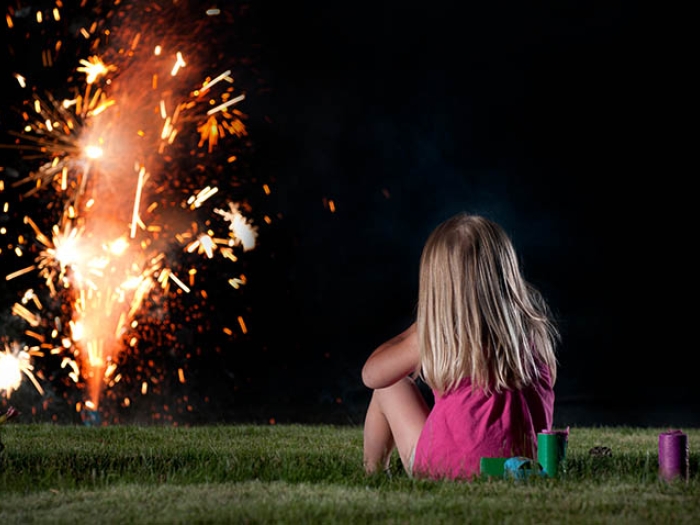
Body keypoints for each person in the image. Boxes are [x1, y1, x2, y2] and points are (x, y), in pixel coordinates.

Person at [362, 212, 559, 480]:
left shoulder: (437, 335)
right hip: (522, 468)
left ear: (436, 286)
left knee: (391, 388)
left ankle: (373, 474)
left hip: (448, 468)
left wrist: (422, 326)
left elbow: (372, 375)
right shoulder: (535, 335)